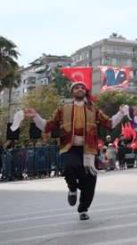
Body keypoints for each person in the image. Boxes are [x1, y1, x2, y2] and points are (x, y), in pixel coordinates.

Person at [17, 80, 129, 221]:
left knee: (90, 181)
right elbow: (47, 126)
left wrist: (121, 113)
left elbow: (110, 123)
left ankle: (83, 209)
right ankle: (72, 188)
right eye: (76, 87)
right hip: (69, 147)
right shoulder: (63, 109)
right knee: (70, 166)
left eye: (82, 87)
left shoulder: (93, 109)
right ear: (72, 92)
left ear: (85, 91)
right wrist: (35, 116)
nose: (80, 89)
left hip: (89, 149)